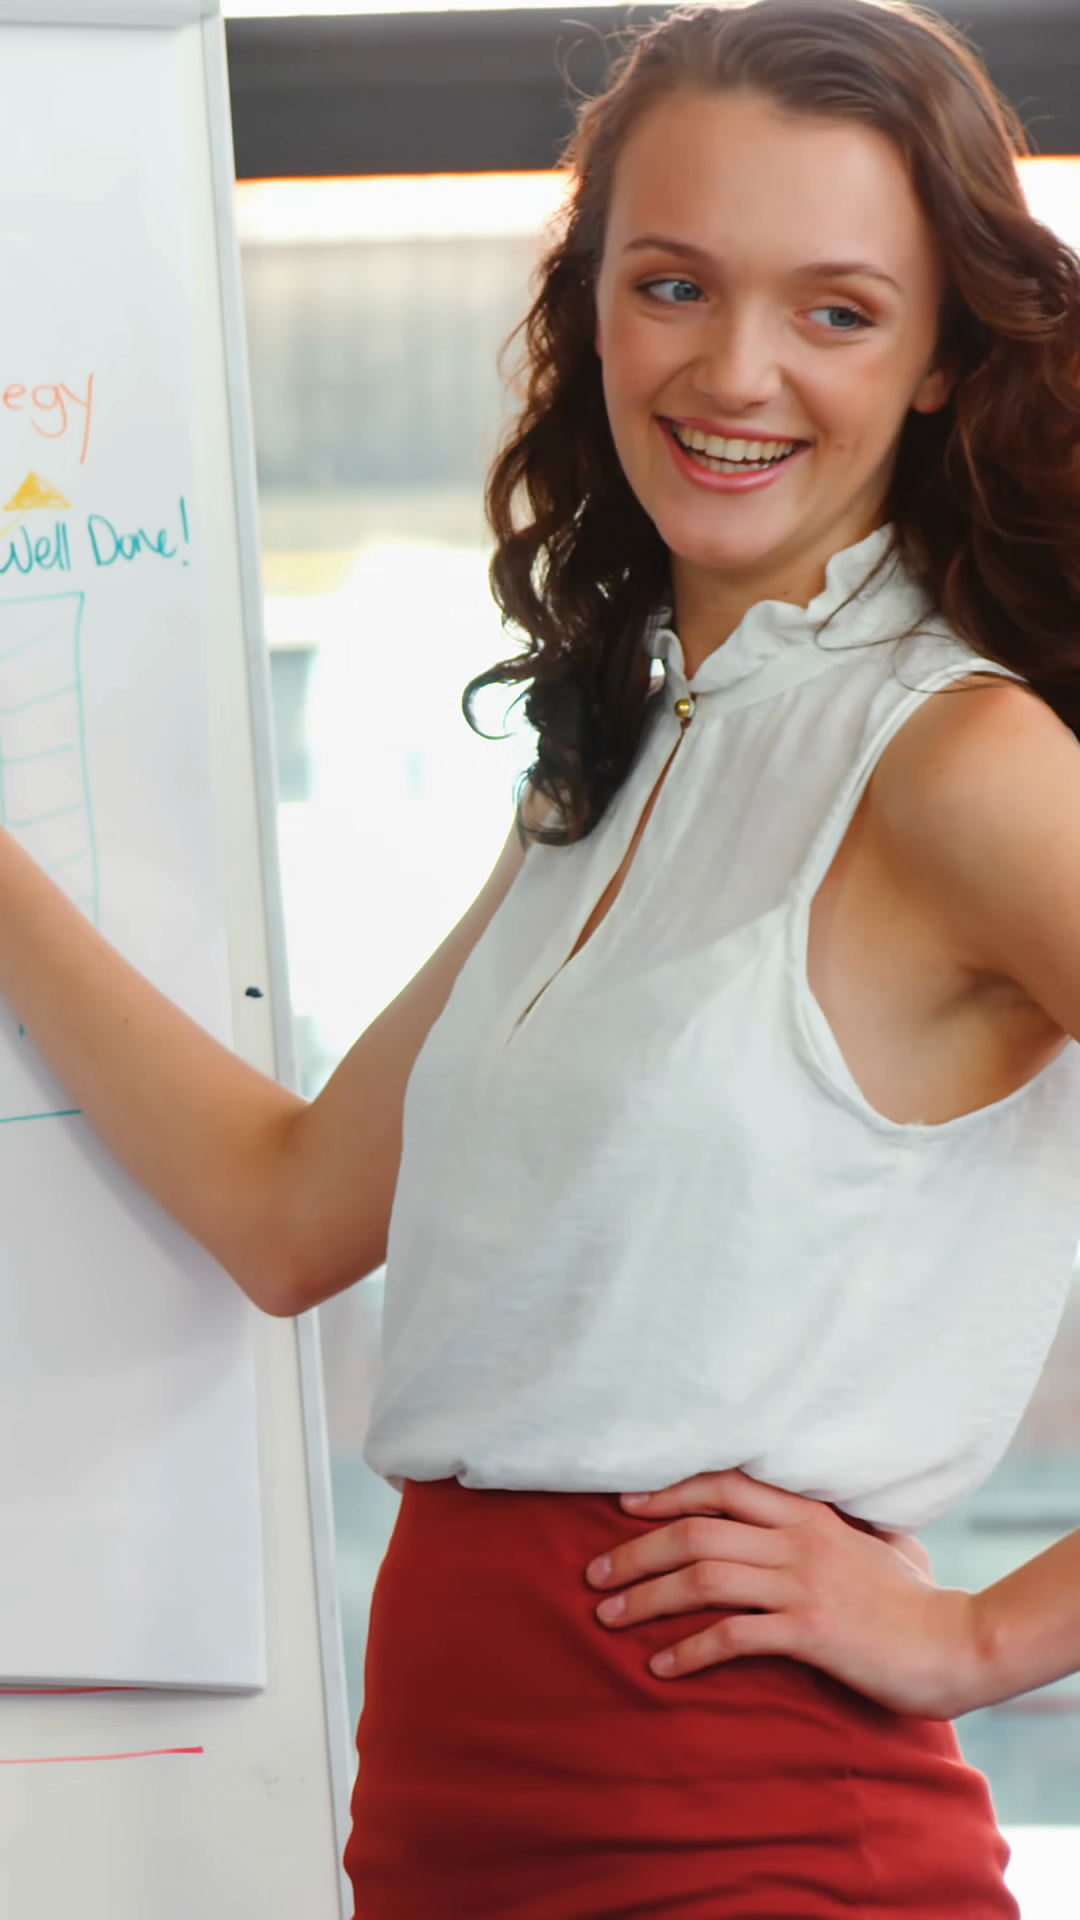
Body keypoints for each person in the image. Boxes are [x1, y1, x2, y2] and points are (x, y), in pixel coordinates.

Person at [5, 0, 1080, 1910]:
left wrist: (984, 1633)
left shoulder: (959, 764)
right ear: (591, 307)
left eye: (837, 311)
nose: (734, 369)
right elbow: (288, 1213)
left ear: (939, 358)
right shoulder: (634, 753)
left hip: (750, 1842)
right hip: (454, 1823)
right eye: (674, 285)